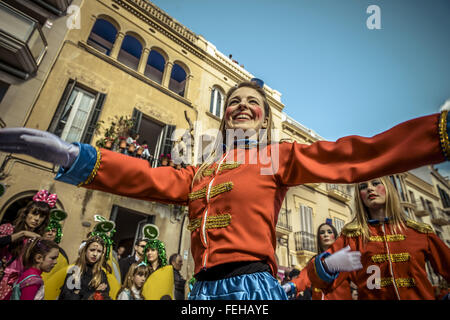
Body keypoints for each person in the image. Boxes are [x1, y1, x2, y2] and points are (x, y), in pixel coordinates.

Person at [0, 81, 448, 300]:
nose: (241, 105)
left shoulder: (278, 156)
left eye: (252, 102)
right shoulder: (200, 173)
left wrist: (437, 134)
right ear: (224, 116)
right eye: (233, 101)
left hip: (252, 288)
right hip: (200, 293)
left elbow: (351, 156)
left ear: (265, 120)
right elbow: (146, 177)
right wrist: (71, 155)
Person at [306, 176, 450, 300]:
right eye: (363, 186)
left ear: (388, 188)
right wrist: (328, 266)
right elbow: (319, 281)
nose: (369, 189)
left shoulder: (419, 232)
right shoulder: (352, 237)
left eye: (375, 183)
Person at [0, 190, 54, 300]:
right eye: (34, 213)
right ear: (26, 213)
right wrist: (22, 234)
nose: (37, 219)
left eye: (42, 216)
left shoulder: (38, 240)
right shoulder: (9, 229)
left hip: (20, 285)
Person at [284, 222, 353, 300]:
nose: (326, 235)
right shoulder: (314, 262)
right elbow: (304, 277)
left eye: (329, 232)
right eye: (322, 233)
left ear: (335, 236)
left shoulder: (345, 258)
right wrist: (292, 285)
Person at [58, 235, 110, 300]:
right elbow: (67, 296)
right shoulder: (74, 271)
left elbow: (105, 296)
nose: (95, 254)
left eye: (99, 251)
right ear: (85, 251)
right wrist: (94, 293)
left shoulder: (101, 274)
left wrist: (78, 292)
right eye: (92, 250)